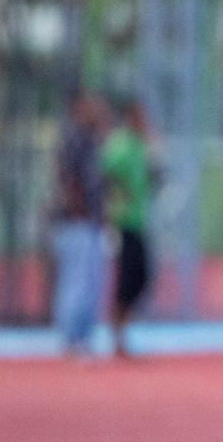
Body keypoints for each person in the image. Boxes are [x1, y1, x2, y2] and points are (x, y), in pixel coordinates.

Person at [51, 91, 109, 356]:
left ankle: (83, 337)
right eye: (92, 107)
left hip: (93, 221)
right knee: (76, 281)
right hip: (77, 221)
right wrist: (79, 211)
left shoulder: (95, 141)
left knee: (91, 282)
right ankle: (69, 337)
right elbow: (69, 180)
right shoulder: (74, 139)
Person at [100, 99, 154, 358]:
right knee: (126, 278)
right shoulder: (119, 145)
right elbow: (105, 176)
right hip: (121, 221)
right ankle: (116, 335)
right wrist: (115, 199)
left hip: (138, 221)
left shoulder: (139, 146)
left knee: (142, 277)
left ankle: (122, 328)